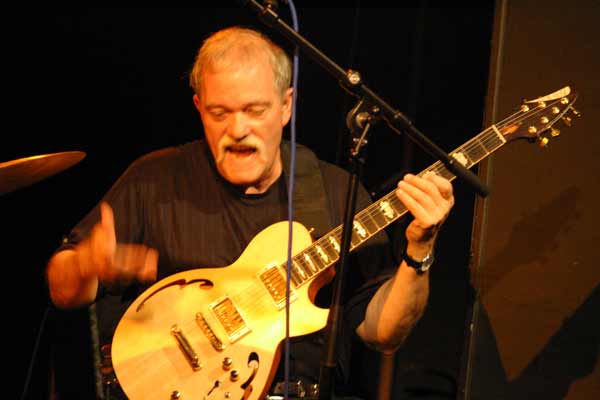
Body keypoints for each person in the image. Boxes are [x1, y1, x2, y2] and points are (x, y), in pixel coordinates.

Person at [46, 26, 454, 400]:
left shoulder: (332, 191)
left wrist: (420, 249)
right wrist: (84, 265)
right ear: (199, 106)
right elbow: (62, 290)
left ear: (286, 106)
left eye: (255, 110)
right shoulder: (155, 178)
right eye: (219, 113)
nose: (238, 129)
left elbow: (383, 333)